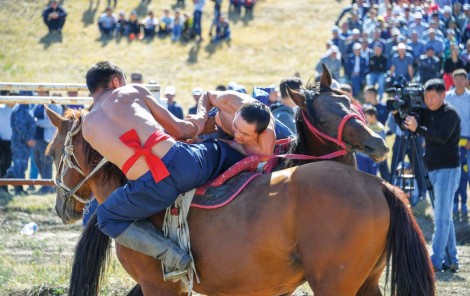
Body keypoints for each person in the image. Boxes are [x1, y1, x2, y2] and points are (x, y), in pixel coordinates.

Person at [81, 61, 244, 280]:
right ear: (116, 81)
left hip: (152, 189)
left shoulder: (86, 125)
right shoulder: (132, 91)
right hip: (186, 165)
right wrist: (199, 119)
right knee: (223, 149)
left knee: (105, 217)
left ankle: (173, 255)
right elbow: (180, 130)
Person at [398, 78, 461, 273]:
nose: (429, 100)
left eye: (433, 96)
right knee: (444, 217)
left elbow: (440, 137)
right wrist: (398, 114)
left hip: (448, 170)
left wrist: (419, 128)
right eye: (426, 96)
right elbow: (406, 126)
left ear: (443, 95)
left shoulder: (450, 114)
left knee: (441, 217)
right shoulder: (425, 112)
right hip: (431, 169)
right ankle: (452, 260)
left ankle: (434, 260)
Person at [192, 90, 293, 161]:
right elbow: (207, 95)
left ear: (261, 133)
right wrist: (201, 116)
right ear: (236, 114)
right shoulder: (230, 102)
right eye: (235, 126)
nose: (237, 136)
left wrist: (228, 144)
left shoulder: (264, 146)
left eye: (245, 134)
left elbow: (238, 147)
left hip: (252, 144)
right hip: (217, 124)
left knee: (293, 144)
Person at [446, 68, 470, 215]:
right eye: (457, 79)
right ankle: (454, 203)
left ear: (467, 80)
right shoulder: (448, 97)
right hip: (452, 141)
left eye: (463, 78)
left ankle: (465, 202)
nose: (460, 81)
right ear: (453, 80)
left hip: (468, 141)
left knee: (466, 174)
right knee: (454, 173)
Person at [8, 99, 35, 196]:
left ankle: (19, 187)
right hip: (20, 143)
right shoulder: (20, 109)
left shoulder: (26, 108)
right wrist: (28, 139)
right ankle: (16, 186)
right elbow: (20, 126)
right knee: (18, 165)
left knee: (22, 166)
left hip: (23, 144)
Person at [0, 99, 14, 194]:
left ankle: (4, 186)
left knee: (7, 165)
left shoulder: (15, 110)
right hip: (1, 140)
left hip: (10, 141)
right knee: (3, 165)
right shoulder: (1, 109)